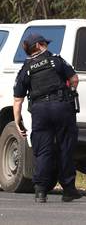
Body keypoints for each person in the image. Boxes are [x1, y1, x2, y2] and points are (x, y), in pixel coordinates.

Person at [13, 33, 82, 203]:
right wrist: (71, 91)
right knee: (66, 147)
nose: (47, 46)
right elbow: (74, 79)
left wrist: (17, 120)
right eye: (45, 43)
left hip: (40, 111)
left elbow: (18, 99)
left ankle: (40, 191)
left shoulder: (26, 68)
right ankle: (68, 189)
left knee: (43, 150)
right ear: (39, 45)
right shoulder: (56, 60)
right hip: (61, 107)